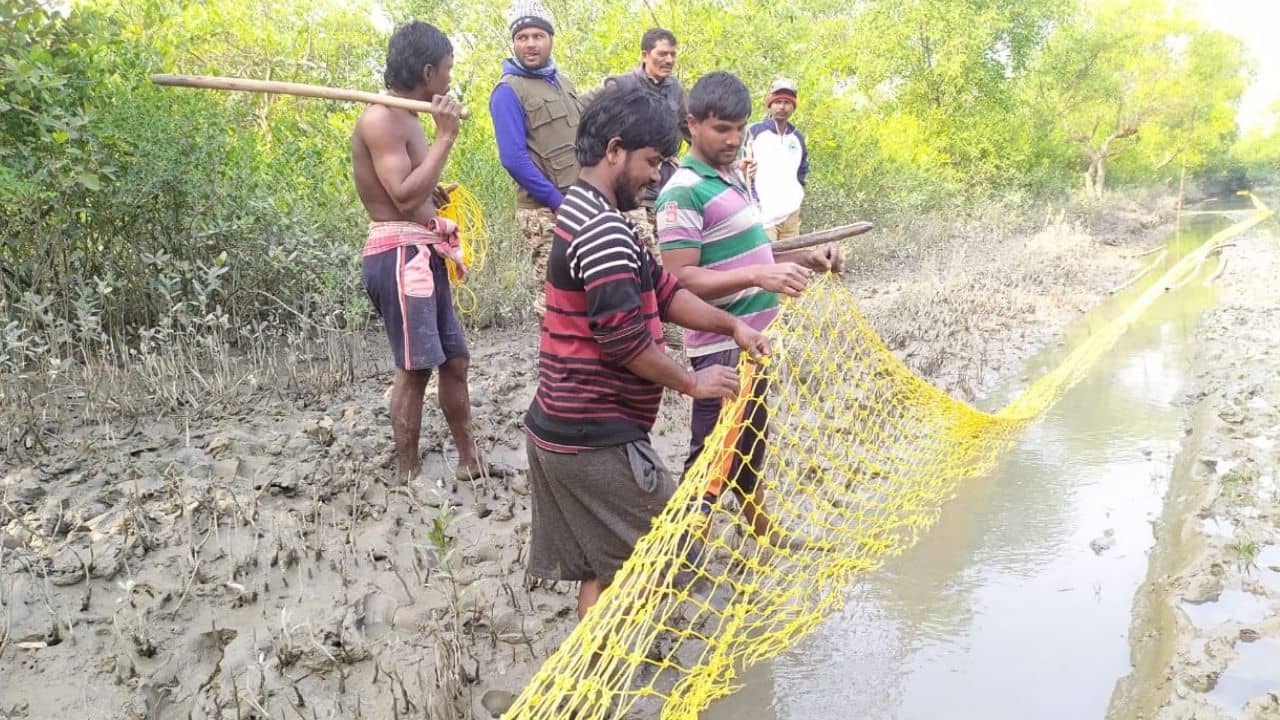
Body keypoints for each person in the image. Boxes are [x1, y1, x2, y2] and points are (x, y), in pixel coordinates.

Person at [524, 84, 770, 620]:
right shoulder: (603, 231)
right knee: (668, 554)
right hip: (591, 438)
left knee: (603, 566)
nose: (656, 177)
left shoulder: (590, 211)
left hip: (560, 429)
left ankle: (589, 669)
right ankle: (611, 661)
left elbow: (666, 290)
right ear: (615, 150)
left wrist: (733, 326)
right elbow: (624, 341)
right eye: (652, 162)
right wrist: (692, 382)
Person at [657, 71, 840, 549]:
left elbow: (751, 252)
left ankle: (761, 528)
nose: (733, 139)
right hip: (720, 345)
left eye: (739, 128)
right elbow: (680, 278)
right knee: (710, 455)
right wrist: (759, 276)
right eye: (722, 129)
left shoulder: (733, 177)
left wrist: (805, 259)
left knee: (750, 441)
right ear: (692, 125)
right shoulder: (683, 190)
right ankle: (680, 552)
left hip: (754, 341)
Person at [352, 21, 498, 484]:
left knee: (455, 361)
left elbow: (413, 189)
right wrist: (445, 137)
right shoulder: (381, 119)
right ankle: (407, 473)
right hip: (400, 257)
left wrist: (429, 194)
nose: (451, 80)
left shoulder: (409, 116)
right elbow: (400, 195)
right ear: (428, 71)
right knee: (415, 369)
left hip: (423, 251)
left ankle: (470, 460)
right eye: (448, 70)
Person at [489, 0, 585, 318]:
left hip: (577, 201)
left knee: (586, 290)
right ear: (514, 43)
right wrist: (556, 201)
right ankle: (551, 352)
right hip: (544, 211)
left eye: (538, 36)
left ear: (550, 39)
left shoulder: (563, 82)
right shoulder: (508, 91)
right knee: (554, 297)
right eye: (522, 37)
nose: (530, 44)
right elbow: (513, 158)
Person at [602, 28, 690, 256]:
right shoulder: (622, 87)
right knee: (645, 255)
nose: (668, 60)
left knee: (672, 254)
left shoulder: (675, 89)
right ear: (644, 55)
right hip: (631, 190)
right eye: (662, 54)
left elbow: (691, 131)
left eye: (672, 54)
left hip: (666, 188)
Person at [748, 77, 810, 242]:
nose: (782, 107)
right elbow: (741, 168)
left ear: (793, 106)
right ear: (769, 104)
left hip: (791, 214)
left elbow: (802, 168)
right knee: (767, 256)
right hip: (763, 214)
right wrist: (754, 201)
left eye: (787, 103)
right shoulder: (754, 132)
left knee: (791, 256)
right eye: (777, 102)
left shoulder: (797, 137)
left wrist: (797, 193)